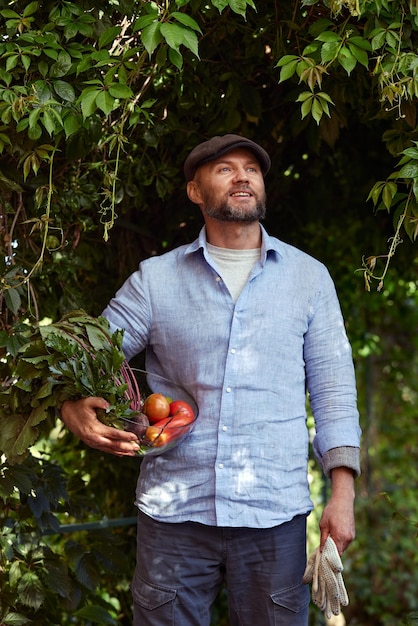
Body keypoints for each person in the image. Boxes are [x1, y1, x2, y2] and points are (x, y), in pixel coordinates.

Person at [60, 134, 361, 626]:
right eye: (224, 169)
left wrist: (342, 493)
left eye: (252, 169)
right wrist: (72, 405)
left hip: (274, 515)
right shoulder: (156, 280)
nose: (242, 176)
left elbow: (333, 391)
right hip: (173, 514)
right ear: (195, 192)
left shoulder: (309, 279)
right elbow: (88, 352)